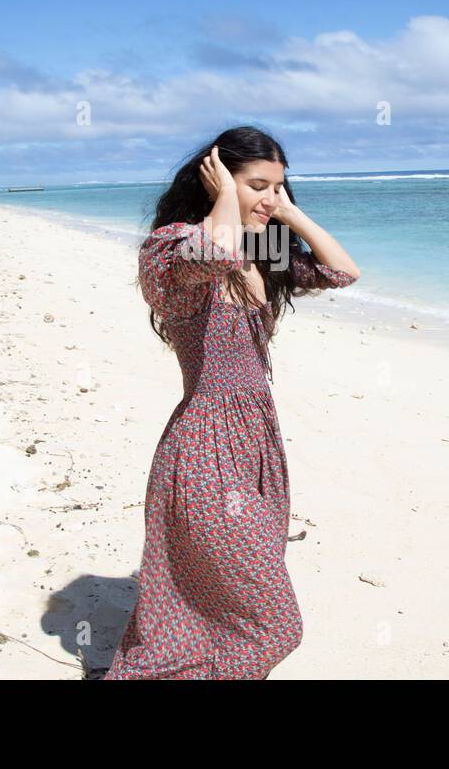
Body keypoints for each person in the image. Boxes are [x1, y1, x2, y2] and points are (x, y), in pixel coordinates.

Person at [102, 125, 361, 679]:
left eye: (280, 186)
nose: (270, 197)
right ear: (215, 177)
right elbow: (213, 251)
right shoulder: (169, 249)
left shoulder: (260, 247)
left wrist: (287, 216)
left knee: (233, 604)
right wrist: (223, 199)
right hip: (203, 449)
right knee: (275, 623)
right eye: (257, 184)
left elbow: (344, 272)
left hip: (257, 444)